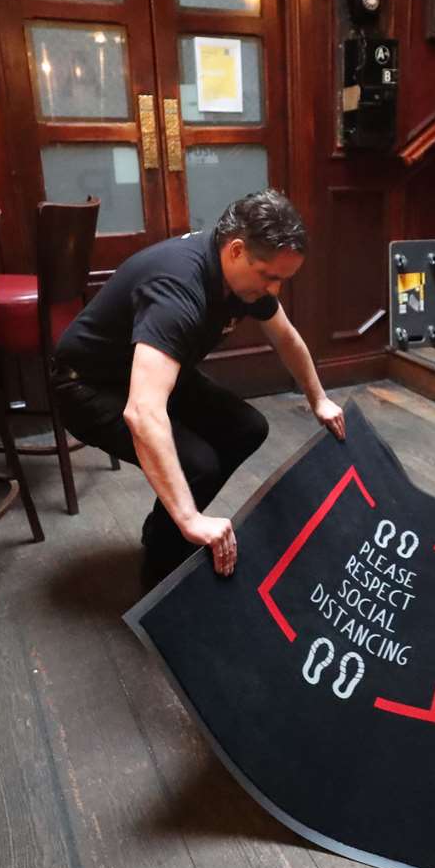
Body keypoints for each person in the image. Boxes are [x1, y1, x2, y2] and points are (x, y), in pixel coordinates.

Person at [52, 189, 346, 586]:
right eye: (270, 277)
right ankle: (159, 583)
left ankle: (163, 532)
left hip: (145, 372)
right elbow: (142, 412)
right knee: (198, 464)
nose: (275, 290)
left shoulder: (244, 279)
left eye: (282, 279)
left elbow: (287, 339)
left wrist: (320, 400)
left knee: (247, 428)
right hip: (87, 386)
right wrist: (190, 518)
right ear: (237, 250)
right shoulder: (178, 288)